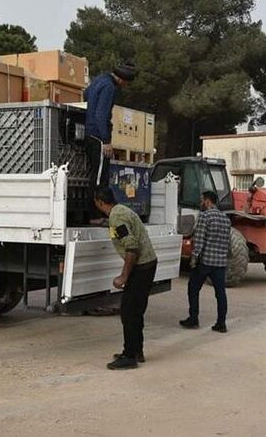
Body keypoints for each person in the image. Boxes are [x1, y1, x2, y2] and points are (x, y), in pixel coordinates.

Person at [94, 186, 158, 370]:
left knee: (129, 312)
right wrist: (102, 222)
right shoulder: (119, 211)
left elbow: (132, 247)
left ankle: (129, 356)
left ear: (100, 202)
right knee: (135, 311)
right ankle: (136, 351)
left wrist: (123, 276)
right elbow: (121, 231)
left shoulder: (117, 217)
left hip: (141, 267)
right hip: (147, 265)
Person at [84, 63, 137, 221]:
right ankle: (94, 215)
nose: (126, 86)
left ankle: (95, 213)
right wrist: (106, 140)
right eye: (127, 83)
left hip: (90, 133)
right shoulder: (110, 87)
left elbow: (86, 95)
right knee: (100, 179)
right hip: (98, 136)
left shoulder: (100, 79)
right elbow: (101, 115)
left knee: (95, 174)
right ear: (122, 80)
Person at [179, 191, 231, 332]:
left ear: (208, 201)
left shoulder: (204, 216)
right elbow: (228, 242)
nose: (201, 203)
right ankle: (221, 323)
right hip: (220, 263)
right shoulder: (225, 218)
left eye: (202, 200)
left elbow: (199, 240)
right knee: (220, 294)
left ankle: (193, 319)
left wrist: (193, 259)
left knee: (193, 288)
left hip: (205, 262)